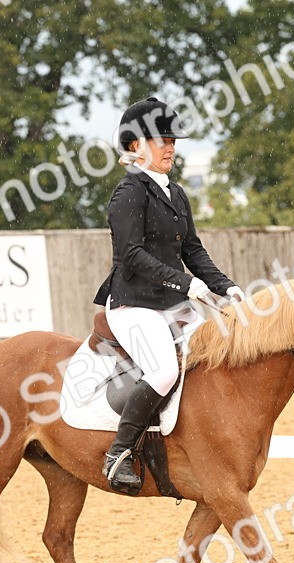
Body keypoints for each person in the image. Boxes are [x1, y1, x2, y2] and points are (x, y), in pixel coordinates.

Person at [92, 97, 244, 494]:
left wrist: (225, 285)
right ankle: (120, 453)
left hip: (172, 305)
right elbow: (131, 254)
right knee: (164, 371)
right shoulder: (129, 192)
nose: (171, 147)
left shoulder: (175, 193)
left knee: (216, 354)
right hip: (134, 303)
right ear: (135, 145)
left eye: (172, 140)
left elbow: (192, 250)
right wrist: (185, 283)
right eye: (162, 140)